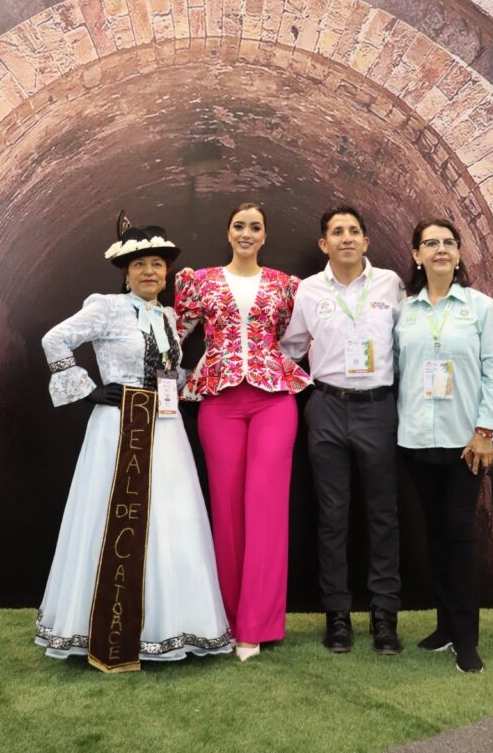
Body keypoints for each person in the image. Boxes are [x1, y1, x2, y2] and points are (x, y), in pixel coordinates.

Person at [36, 223, 232, 672]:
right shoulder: (106, 308)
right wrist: (87, 390)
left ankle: (169, 628)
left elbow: (166, 375)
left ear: (166, 273)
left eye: (157, 265)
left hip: (164, 429)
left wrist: (200, 378)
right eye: (139, 264)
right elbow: (55, 339)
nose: (149, 271)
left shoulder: (166, 318)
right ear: (126, 273)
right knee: (113, 518)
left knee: (171, 520)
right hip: (118, 428)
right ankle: (103, 627)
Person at [174, 202, 311, 661]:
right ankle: (228, 622)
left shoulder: (286, 286)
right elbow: (171, 333)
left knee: (266, 508)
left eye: (255, 227)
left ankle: (256, 626)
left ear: (265, 235)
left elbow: (301, 337)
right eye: (239, 226)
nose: (247, 233)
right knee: (227, 510)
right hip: (219, 401)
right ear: (228, 232)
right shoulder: (201, 282)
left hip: (274, 399)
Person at [281, 205, 404, 655]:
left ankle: (385, 617)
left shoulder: (391, 284)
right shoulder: (309, 291)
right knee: (332, 516)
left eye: (354, 231)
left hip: (378, 407)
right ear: (324, 244)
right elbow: (291, 346)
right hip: (327, 406)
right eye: (337, 232)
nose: (347, 238)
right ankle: (338, 616)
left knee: (383, 515)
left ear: (366, 241)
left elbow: (406, 341)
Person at [395, 217, 493, 674]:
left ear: (459, 254)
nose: (439, 249)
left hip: (468, 442)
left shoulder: (480, 308)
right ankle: (444, 627)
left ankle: (467, 640)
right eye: (430, 243)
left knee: (459, 536)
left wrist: (485, 430)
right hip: (418, 439)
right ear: (416, 255)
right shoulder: (404, 311)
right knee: (435, 535)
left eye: (448, 242)